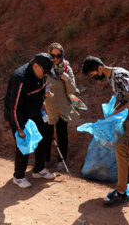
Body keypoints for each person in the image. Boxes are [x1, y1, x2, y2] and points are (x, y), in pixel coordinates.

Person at [82, 56, 129, 207]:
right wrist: (113, 113)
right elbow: (123, 98)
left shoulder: (119, 75)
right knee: (128, 150)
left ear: (100, 68)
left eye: (93, 74)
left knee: (121, 149)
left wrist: (116, 113)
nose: (94, 77)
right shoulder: (112, 78)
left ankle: (120, 192)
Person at [4, 53, 56, 189]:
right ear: (35, 66)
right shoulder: (20, 78)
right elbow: (15, 107)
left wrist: (44, 99)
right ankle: (19, 177)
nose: (46, 75)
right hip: (20, 115)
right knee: (24, 145)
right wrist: (20, 128)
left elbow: (41, 89)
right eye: (44, 72)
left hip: (36, 112)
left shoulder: (42, 74)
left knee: (44, 138)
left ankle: (38, 170)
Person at [44, 43, 80, 171]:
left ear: (62, 55)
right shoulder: (45, 68)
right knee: (47, 134)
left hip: (62, 107)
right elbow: (38, 85)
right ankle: (45, 160)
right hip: (48, 107)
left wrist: (67, 79)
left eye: (58, 55)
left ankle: (62, 160)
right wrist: (45, 90)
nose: (55, 59)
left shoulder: (67, 69)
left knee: (62, 134)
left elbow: (73, 90)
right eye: (52, 55)